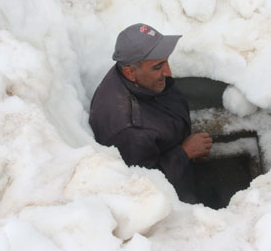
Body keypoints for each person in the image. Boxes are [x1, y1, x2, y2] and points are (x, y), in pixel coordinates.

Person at [89, 23, 212, 203]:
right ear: (130, 72)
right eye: (158, 66)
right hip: (171, 201)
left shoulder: (139, 78)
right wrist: (184, 153)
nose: (168, 72)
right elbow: (145, 187)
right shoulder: (129, 130)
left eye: (166, 61)